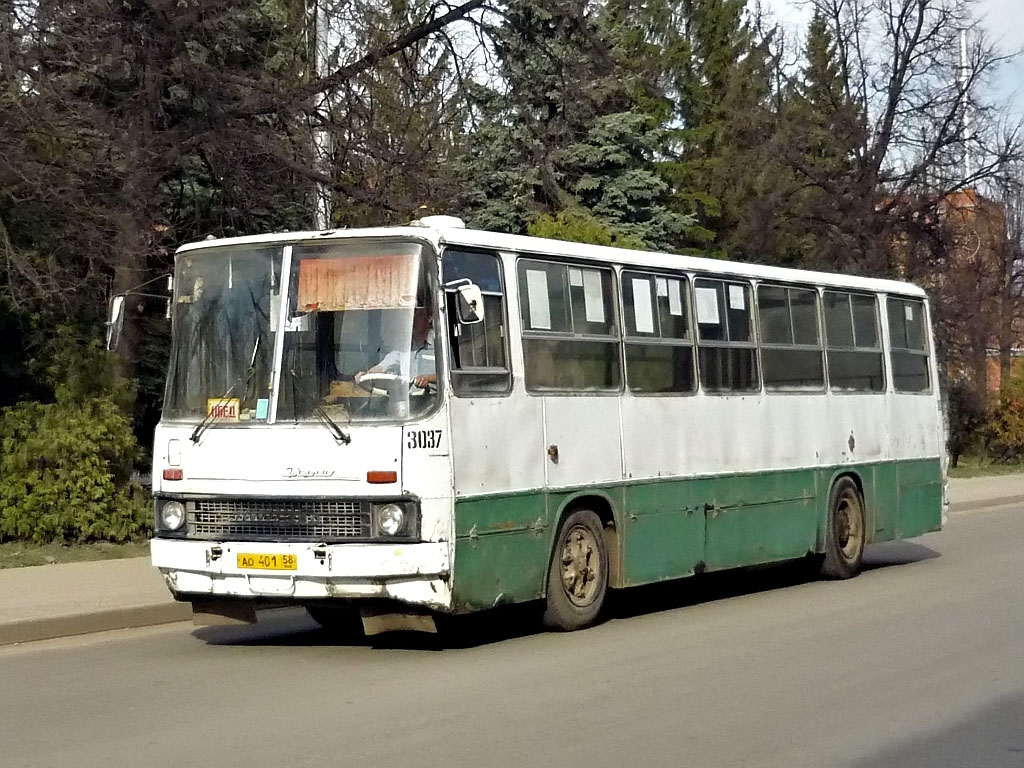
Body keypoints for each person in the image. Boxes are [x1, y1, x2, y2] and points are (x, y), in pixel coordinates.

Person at [356, 305, 436, 390]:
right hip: (409, 400)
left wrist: (428, 378)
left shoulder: (439, 344)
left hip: (436, 398)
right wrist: (366, 375)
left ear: (429, 318)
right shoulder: (403, 348)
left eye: (417, 314)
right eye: (410, 314)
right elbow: (383, 366)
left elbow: (449, 376)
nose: (412, 318)